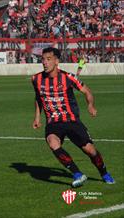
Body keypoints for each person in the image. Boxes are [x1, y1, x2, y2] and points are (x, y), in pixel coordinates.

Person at [31, 47, 115, 187]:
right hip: (53, 123)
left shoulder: (68, 77)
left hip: (72, 121)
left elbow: (87, 91)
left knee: (91, 151)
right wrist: (37, 117)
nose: (45, 62)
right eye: (43, 59)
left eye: (48, 59)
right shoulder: (36, 79)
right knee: (52, 142)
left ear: (57, 61)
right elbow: (38, 98)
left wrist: (90, 105)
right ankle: (78, 174)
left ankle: (104, 173)